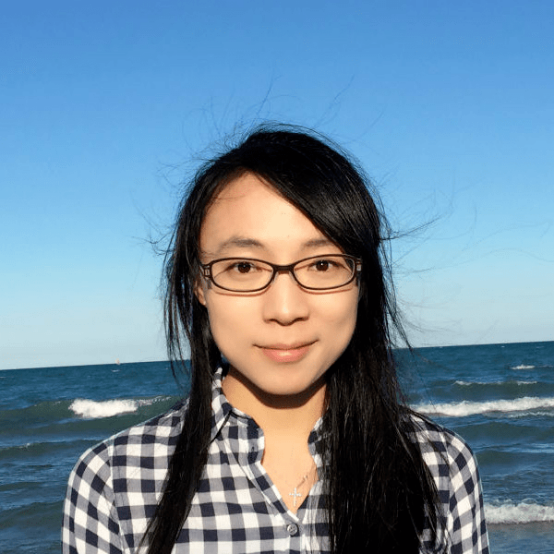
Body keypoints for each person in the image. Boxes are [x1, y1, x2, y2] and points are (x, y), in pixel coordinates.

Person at [62, 125, 489, 553]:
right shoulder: (114, 481)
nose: (285, 310)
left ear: (362, 280)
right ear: (198, 284)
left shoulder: (441, 465)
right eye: (244, 267)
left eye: (322, 264)